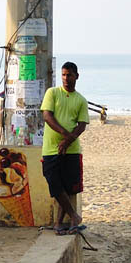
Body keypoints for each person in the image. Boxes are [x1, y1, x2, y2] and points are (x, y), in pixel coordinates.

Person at [40, 61, 89, 234]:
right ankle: (74, 216)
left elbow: (82, 125)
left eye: (69, 75)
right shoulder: (52, 93)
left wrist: (68, 141)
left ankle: (58, 223)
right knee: (53, 182)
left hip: (72, 150)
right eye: (63, 75)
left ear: (77, 76)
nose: (66, 78)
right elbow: (47, 116)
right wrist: (65, 134)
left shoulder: (81, 100)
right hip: (51, 148)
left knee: (67, 187)